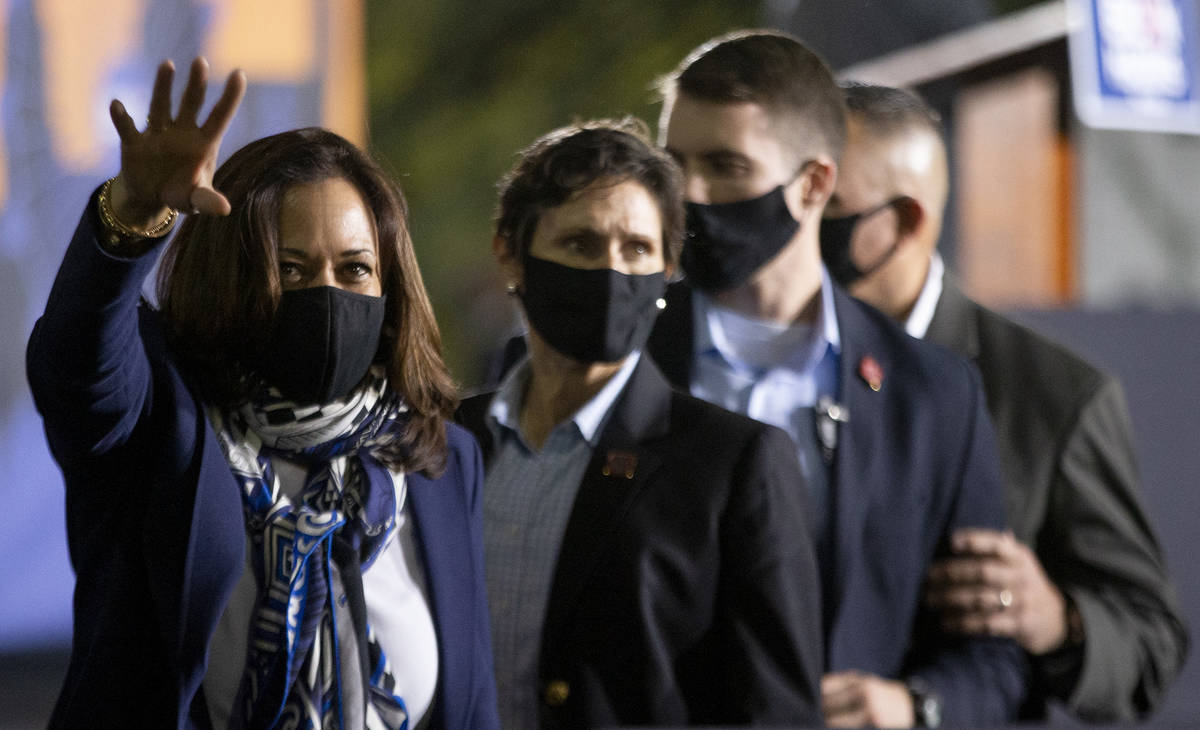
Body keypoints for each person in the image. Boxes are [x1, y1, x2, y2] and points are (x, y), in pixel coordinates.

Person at [26, 58, 499, 729]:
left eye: (355, 268)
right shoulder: (167, 419)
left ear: (390, 288)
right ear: (232, 277)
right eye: (290, 269)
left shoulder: (441, 460)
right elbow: (78, 369)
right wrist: (130, 217)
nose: (327, 294)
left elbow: (472, 703)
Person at [650, 30, 1027, 727]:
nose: (690, 195)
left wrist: (913, 706)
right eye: (675, 165)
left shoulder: (933, 393)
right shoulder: (616, 359)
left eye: (725, 166)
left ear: (815, 184)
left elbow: (991, 660)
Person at [823, 81, 1189, 723]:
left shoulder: (1056, 394)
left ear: (906, 222)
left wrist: (1057, 619)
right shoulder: (751, 359)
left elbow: (1151, 642)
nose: (794, 226)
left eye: (827, 205)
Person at [455, 119, 824, 728]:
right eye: (580, 243)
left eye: (637, 249)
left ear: (668, 268)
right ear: (510, 255)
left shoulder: (733, 465)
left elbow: (775, 710)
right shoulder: (448, 442)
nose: (610, 270)